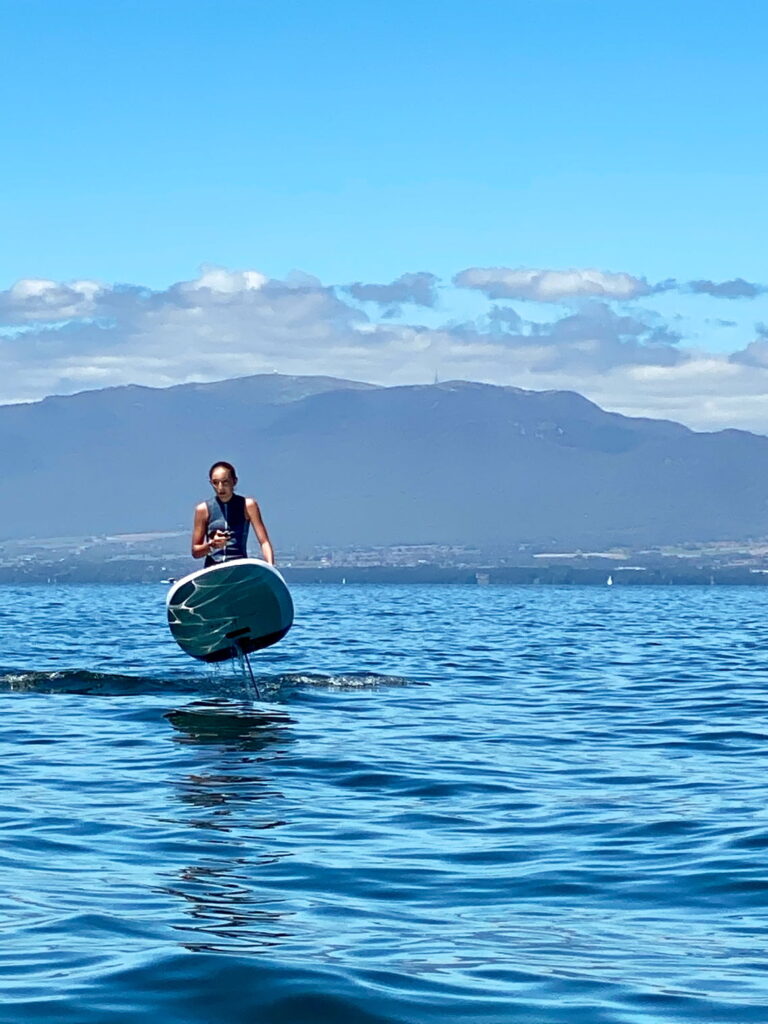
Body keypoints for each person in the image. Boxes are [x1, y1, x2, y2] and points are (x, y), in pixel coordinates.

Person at [191, 461, 275, 567]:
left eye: (225, 482)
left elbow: (264, 542)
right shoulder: (203, 509)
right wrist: (211, 545)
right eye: (215, 483)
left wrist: (270, 566)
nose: (220, 488)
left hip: (238, 568)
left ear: (234, 481)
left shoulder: (248, 505)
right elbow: (195, 552)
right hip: (213, 568)